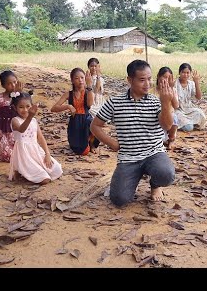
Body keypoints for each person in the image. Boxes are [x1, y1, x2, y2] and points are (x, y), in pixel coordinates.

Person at [90, 59, 175, 206]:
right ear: (129, 80)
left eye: (149, 79)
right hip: (128, 158)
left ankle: (155, 185)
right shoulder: (115, 102)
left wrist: (166, 103)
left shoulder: (155, 102)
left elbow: (167, 126)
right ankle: (133, 177)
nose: (147, 84)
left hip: (154, 153)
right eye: (142, 80)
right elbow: (95, 126)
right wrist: (112, 144)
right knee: (119, 200)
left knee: (166, 174)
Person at [9, 91, 63, 184]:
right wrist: (30, 116)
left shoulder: (34, 120)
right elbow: (22, 129)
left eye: (28, 107)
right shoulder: (15, 120)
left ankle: (25, 171)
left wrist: (47, 154)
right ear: (15, 108)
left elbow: (40, 138)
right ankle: (21, 171)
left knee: (57, 170)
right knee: (45, 179)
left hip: (36, 151)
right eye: (21, 107)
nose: (25, 110)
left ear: (32, 106)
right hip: (24, 153)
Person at [51, 67, 100, 155]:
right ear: (72, 81)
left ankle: (92, 144)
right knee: (81, 151)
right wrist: (68, 106)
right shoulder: (69, 94)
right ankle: (83, 143)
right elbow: (54, 108)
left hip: (86, 121)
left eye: (82, 78)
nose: (80, 80)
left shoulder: (88, 92)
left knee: (92, 123)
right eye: (77, 78)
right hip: (75, 123)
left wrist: (89, 86)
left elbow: (89, 104)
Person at [0, 70, 23, 162]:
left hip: (15, 131)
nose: (13, 85)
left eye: (15, 82)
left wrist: (18, 96)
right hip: (2, 131)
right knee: (8, 156)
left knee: (21, 155)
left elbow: (22, 113)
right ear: (3, 86)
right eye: (9, 84)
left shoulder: (21, 97)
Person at [174, 63, 206, 131]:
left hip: (189, 108)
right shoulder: (175, 83)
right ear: (179, 72)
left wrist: (196, 82)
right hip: (178, 110)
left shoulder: (191, 84)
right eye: (183, 72)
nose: (185, 75)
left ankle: (189, 122)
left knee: (200, 114)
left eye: (188, 73)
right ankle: (186, 124)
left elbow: (198, 97)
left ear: (190, 73)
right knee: (189, 128)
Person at [155, 67, 179, 149]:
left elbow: (176, 106)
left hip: (168, 119)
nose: (166, 80)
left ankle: (171, 140)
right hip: (155, 118)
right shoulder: (152, 90)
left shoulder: (173, 90)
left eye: (169, 78)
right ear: (158, 76)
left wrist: (171, 89)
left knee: (175, 117)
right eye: (164, 77)